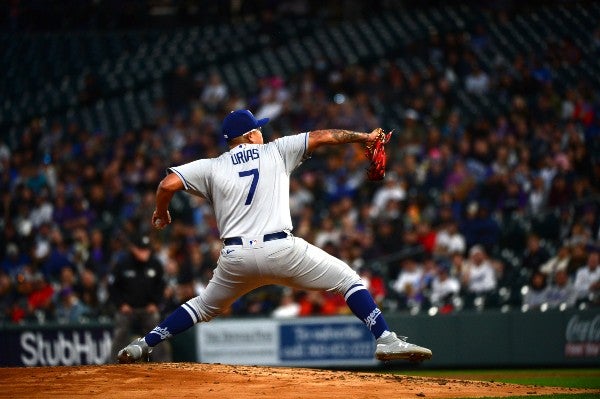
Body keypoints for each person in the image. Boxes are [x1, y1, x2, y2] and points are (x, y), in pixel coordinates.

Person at [117, 109, 432, 363]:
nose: (263, 132)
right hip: (280, 248)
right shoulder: (276, 150)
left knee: (202, 307)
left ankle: (144, 344)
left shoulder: (212, 166)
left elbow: (167, 184)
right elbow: (323, 137)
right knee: (348, 279)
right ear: (252, 134)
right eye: (260, 128)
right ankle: (386, 339)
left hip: (236, 258)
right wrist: (364, 137)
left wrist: (162, 212)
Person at [109, 234, 171, 363]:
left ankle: (164, 364)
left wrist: (156, 303)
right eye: (141, 249)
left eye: (147, 249)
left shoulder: (155, 264)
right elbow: (112, 287)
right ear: (133, 248)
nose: (145, 253)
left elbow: (162, 286)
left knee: (159, 332)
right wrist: (121, 304)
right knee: (120, 333)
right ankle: (114, 364)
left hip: (148, 309)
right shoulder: (122, 263)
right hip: (127, 309)